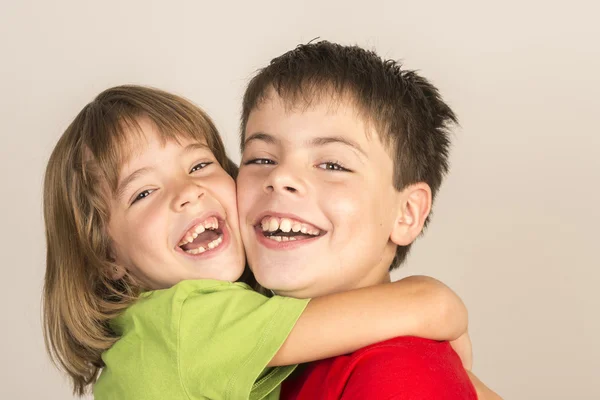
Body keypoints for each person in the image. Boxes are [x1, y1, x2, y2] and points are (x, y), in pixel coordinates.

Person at [42, 85, 469, 399]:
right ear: (106, 256)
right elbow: (434, 307)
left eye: (200, 164)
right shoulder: (183, 322)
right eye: (143, 193)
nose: (187, 191)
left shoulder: (163, 330)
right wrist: (446, 321)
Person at [237, 40, 500, 399]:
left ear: (407, 213)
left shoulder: (401, 371)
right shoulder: (220, 333)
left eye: (332, 165)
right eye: (261, 159)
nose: (280, 177)